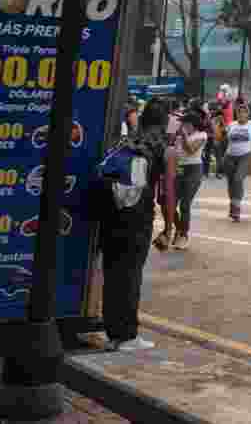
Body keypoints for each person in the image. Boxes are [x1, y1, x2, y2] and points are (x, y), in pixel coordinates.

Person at [99, 98, 169, 351]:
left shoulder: (127, 141)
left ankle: (112, 333)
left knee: (112, 272)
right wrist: (169, 227)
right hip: (137, 219)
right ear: (164, 121)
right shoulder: (162, 147)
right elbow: (166, 194)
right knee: (131, 275)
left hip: (112, 213)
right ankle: (128, 336)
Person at [170, 109, 207, 250]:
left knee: (185, 204)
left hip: (194, 170)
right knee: (171, 204)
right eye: (183, 123)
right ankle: (179, 229)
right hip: (179, 168)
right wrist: (173, 132)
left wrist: (183, 135)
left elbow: (191, 149)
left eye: (186, 123)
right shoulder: (179, 135)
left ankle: (183, 235)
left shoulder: (201, 135)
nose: (184, 126)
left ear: (193, 124)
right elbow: (171, 147)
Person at [224, 103, 251, 222]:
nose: (242, 114)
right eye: (239, 112)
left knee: (238, 179)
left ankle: (236, 208)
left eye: (244, 112)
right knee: (231, 183)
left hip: (245, 156)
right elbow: (223, 140)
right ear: (236, 114)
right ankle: (233, 205)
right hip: (229, 157)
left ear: (248, 114)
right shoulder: (231, 125)